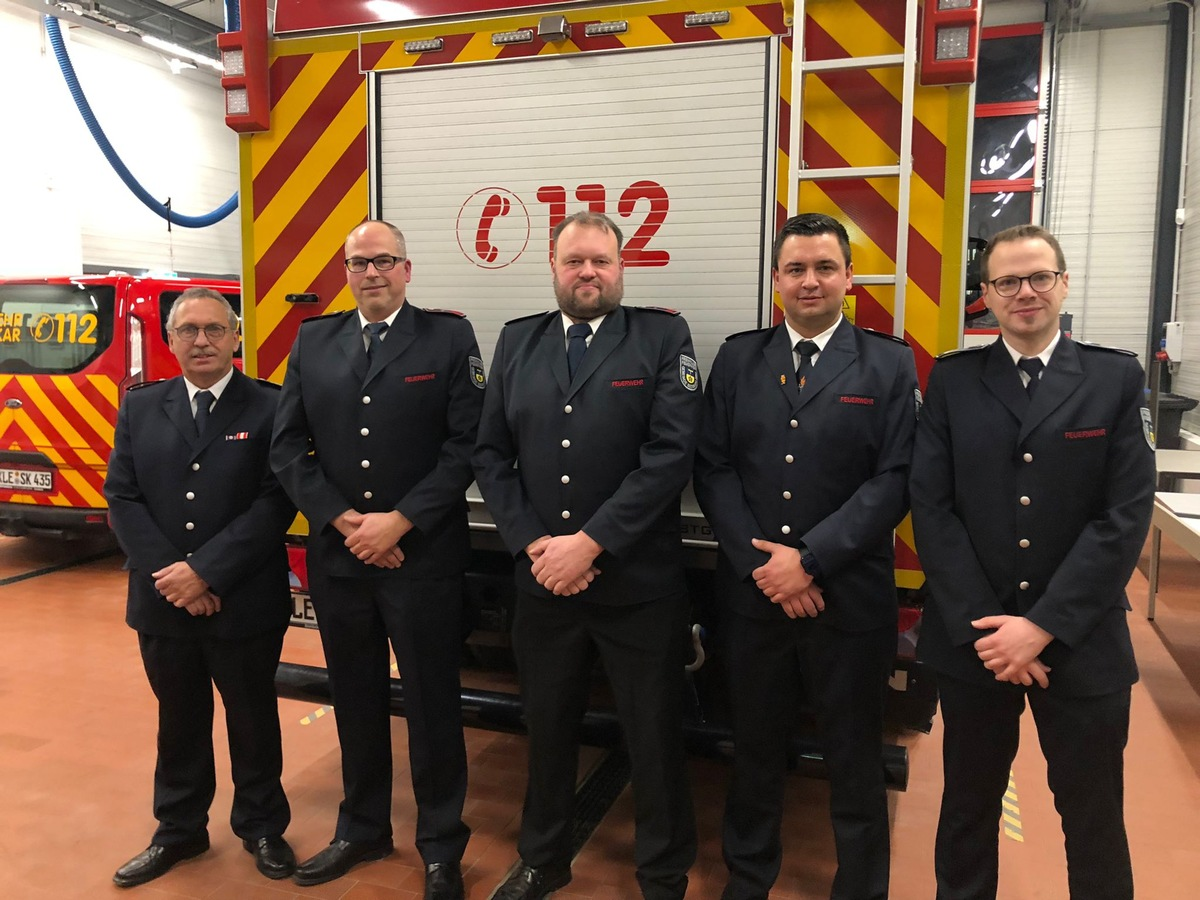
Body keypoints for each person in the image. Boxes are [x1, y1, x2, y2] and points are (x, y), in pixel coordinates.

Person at [909, 223, 1155, 900]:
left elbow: (1123, 516)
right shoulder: (954, 380)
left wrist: (1042, 626)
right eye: (1007, 281)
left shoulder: (1113, 378)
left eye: (1039, 277)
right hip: (976, 641)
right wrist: (992, 629)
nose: (1025, 292)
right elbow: (932, 508)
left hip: (1080, 638)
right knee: (967, 809)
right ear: (985, 295)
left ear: (1064, 283)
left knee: (1093, 814)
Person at [473, 210, 701, 900]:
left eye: (601, 260)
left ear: (622, 266)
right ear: (553, 264)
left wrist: (591, 543)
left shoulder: (662, 337)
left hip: (637, 584)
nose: (588, 272)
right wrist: (533, 542)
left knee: (654, 735)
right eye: (574, 260)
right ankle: (543, 859)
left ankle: (662, 872)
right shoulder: (518, 341)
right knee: (546, 729)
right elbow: (490, 453)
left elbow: (670, 455)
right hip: (545, 581)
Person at [693, 212, 919, 900]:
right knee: (753, 749)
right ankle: (748, 877)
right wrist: (768, 569)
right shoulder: (738, 358)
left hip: (847, 602)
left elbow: (895, 479)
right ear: (776, 280)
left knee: (854, 757)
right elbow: (713, 467)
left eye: (824, 267)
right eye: (796, 268)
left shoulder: (888, 363)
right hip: (756, 598)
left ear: (850, 277)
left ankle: (861, 887)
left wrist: (811, 560)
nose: (810, 281)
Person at [270, 220, 484, 899]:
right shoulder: (314, 340)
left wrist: (399, 522)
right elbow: (287, 446)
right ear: (346, 272)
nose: (372, 273)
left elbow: (467, 444)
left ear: (407, 269)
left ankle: (441, 845)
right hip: (341, 557)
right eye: (359, 263)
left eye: (384, 260)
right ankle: (362, 828)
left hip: (422, 556)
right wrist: (342, 519)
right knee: (355, 698)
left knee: (431, 704)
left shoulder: (448, 338)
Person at [104, 288, 297, 888]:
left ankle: (262, 826)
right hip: (163, 600)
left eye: (215, 329)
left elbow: (277, 501)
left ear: (236, 336)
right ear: (170, 340)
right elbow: (122, 497)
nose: (202, 341)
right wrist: (176, 576)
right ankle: (179, 829)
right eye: (188, 330)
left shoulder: (271, 406)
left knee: (252, 717)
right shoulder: (140, 407)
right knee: (178, 719)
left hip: (245, 600)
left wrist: (207, 572)